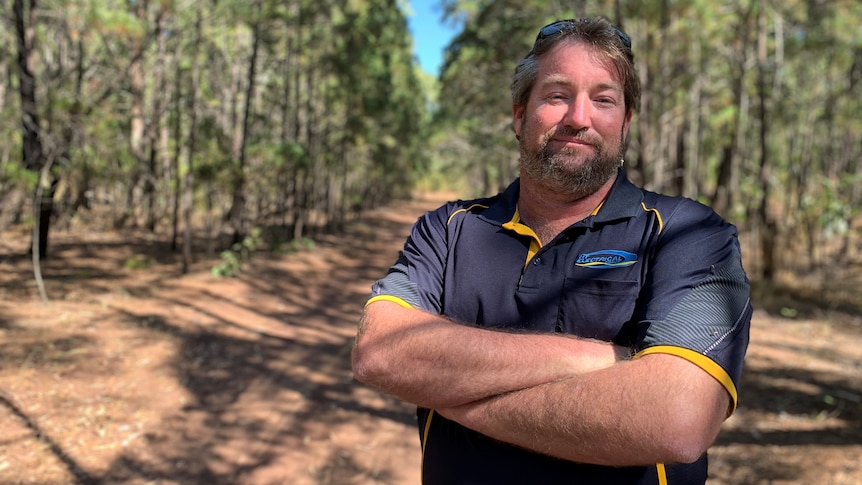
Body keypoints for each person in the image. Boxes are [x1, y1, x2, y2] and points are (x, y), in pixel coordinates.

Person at [351, 16, 752, 485]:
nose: (578, 118)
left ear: (625, 123)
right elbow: (379, 352)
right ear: (520, 114)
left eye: (603, 100)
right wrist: (601, 361)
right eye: (558, 95)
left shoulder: (690, 234)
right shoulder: (449, 229)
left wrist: (451, 392)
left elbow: (680, 418)